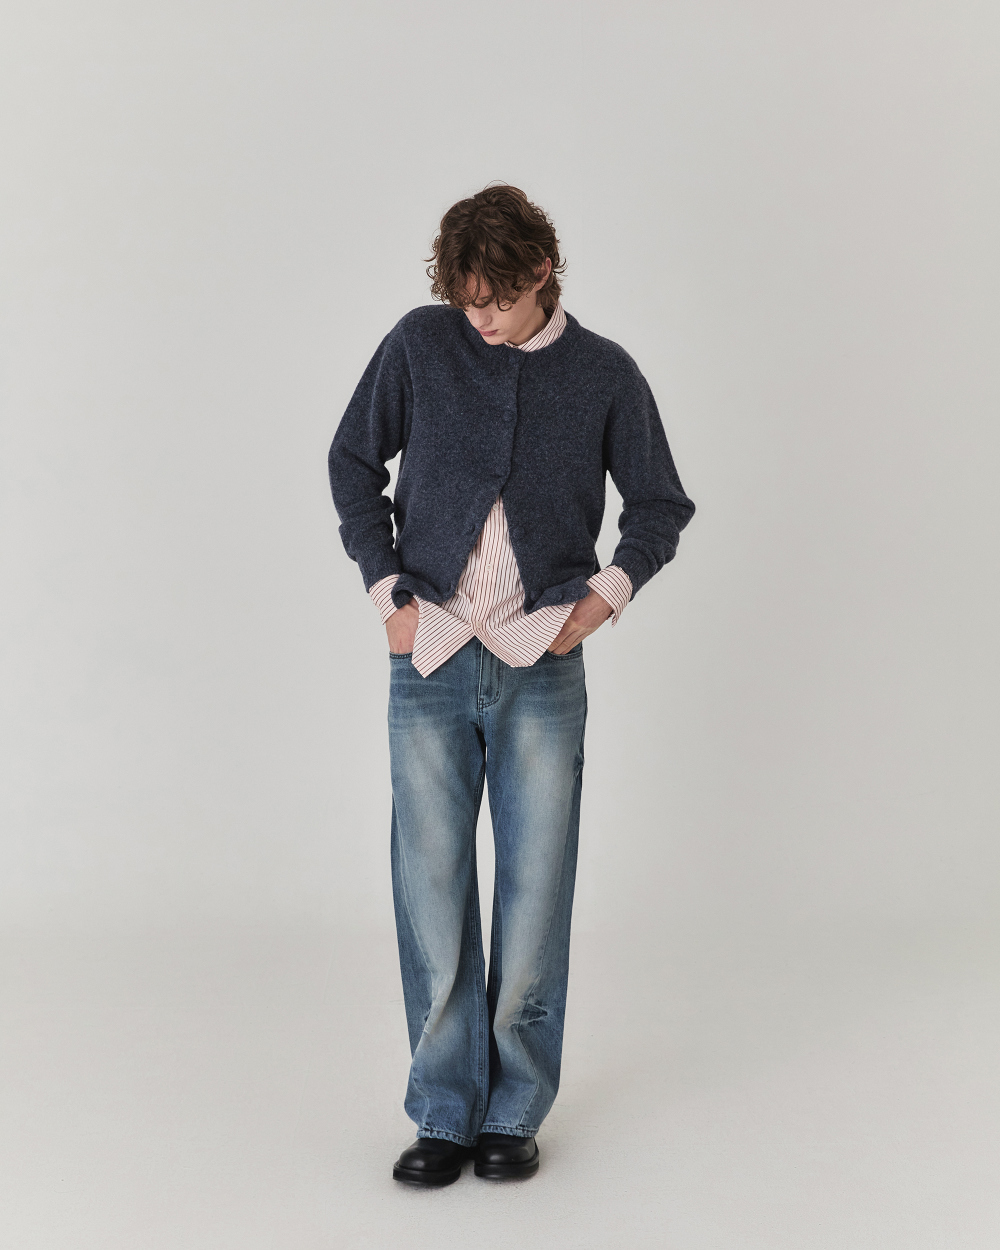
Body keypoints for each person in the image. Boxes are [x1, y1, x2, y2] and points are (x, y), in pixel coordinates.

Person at [328, 184, 694, 1186]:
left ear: (541, 271)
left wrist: (600, 601)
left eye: (495, 300)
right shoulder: (421, 344)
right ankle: (444, 1109)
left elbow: (659, 503)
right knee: (431, 889)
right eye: (466, 300)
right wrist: (387, 593)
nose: (479, 320)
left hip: (544, 665)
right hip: (431, 657)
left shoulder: (604, 373)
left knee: (534, 896)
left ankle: (514, 1107)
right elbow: (353, 461)